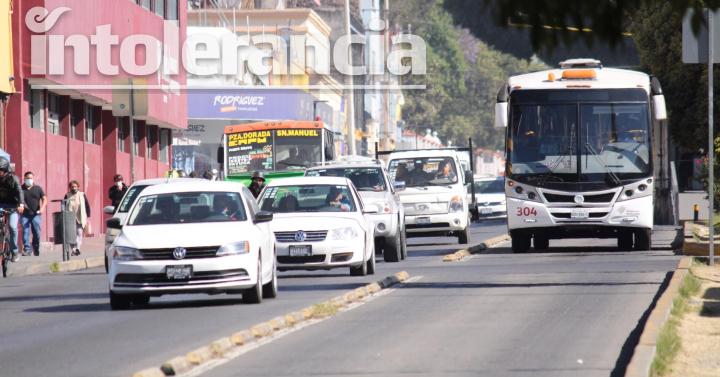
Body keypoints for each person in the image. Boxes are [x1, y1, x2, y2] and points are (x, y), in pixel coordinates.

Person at [0, 157, 24, 262]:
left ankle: (14, 251)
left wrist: (21, 204)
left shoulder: (13, 179)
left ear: (5, 171)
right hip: (1, 205)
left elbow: (19, 192)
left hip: (13, 206)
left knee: (12, 227)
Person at [21, 172, 46, 257]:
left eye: (31, 178)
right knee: (25, 231)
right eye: (28, 178)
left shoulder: (38, 188)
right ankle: (27, 249)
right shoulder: (20, 189)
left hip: (36, 214)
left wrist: (42, 208)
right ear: (24, 178)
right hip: (24, 214)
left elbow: (44, 198)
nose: (29, 180)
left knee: (37, 232)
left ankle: (36, 247)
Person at [64, 180, 91, 256]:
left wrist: (88, 216)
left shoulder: (82, 195)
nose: (74, 188)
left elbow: (87, 205)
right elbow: (64, 205)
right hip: (70, 217)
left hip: (80, 217)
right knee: (71, 234)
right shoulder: (67, 195)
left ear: (78, 187)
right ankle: (73, 249)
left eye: (75, 187)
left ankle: (77, 248)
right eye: (72, 187)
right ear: (70, 188)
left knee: (79, 233)